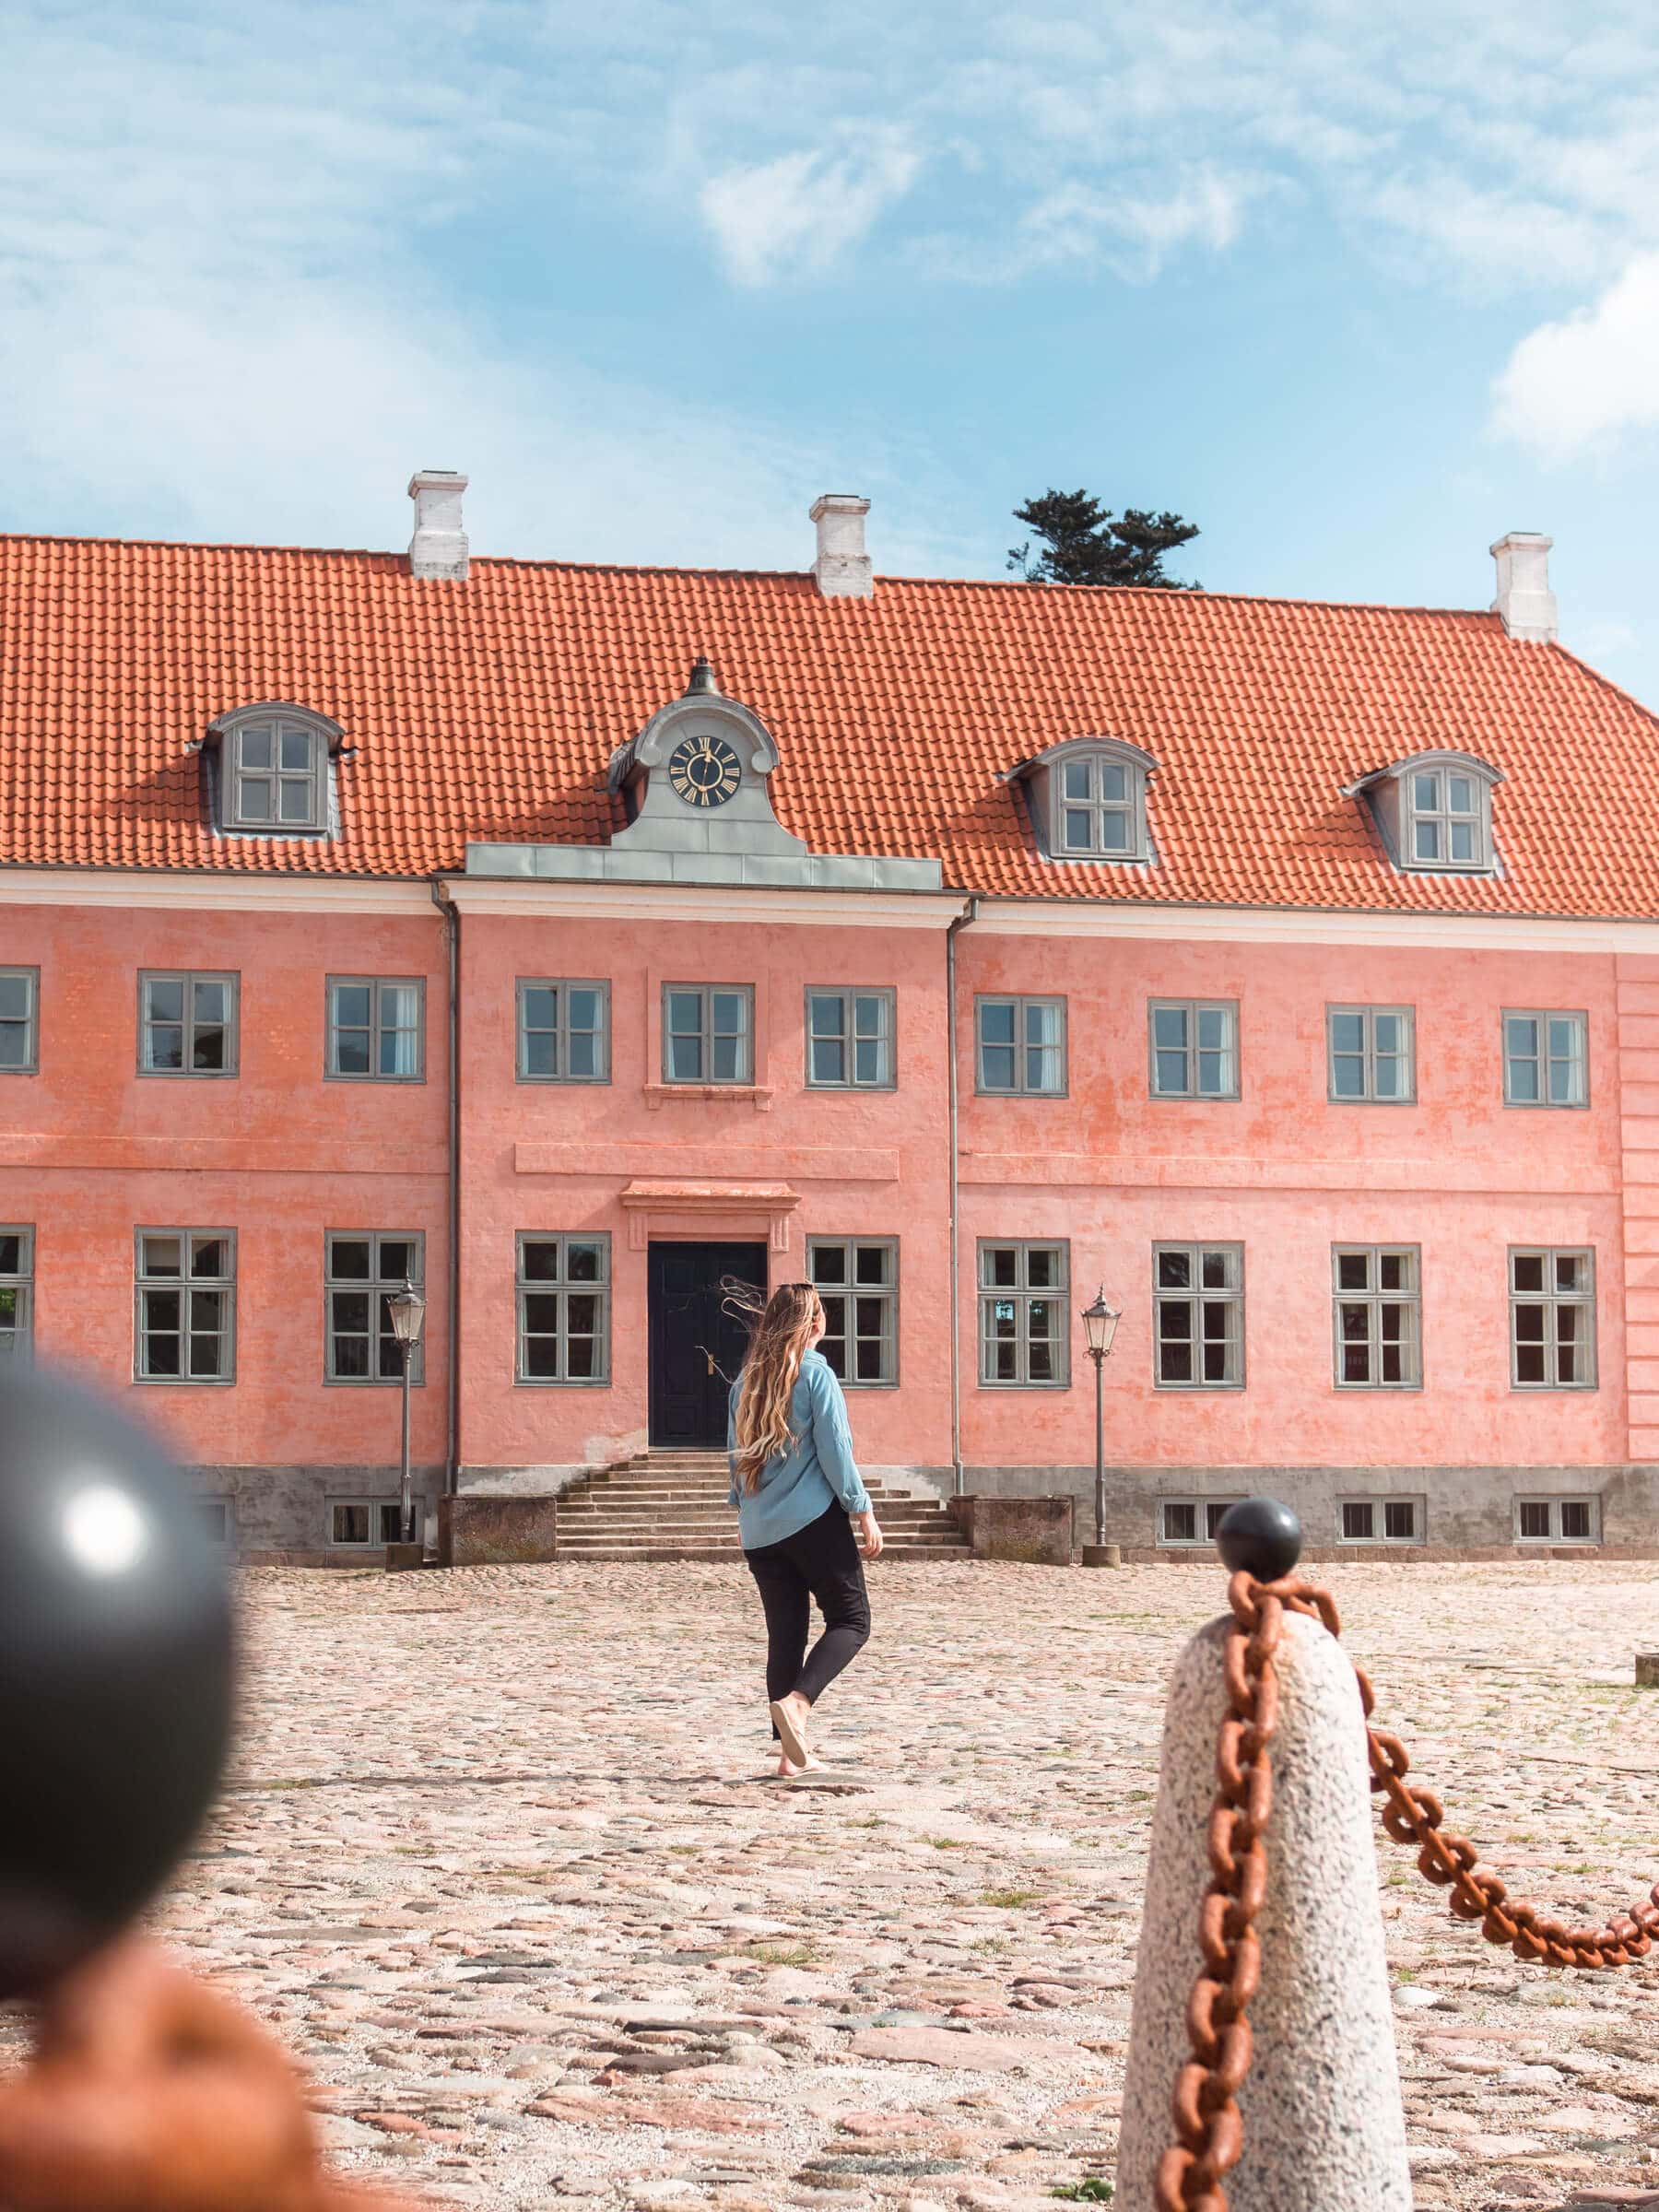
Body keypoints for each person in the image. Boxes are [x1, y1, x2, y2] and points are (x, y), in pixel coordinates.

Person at [727, 1282, 882, 1776]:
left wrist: (740, 1512)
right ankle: (798, 1703)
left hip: (761, 1530)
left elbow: (734, 1455)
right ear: (815, 1323)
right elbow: (836, 1450)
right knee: (852, 1620)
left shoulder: (744, 1382)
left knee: (786, 1638)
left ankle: (787, 1761)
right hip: (813, 1521)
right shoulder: (816, 1374)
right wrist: (862, 1509)